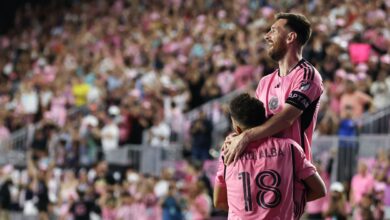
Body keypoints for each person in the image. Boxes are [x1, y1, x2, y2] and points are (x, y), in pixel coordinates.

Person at [223, 13, 324, 164]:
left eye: (274, 30)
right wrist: (237, 136)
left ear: (290, 38)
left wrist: (246, 136)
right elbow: (254, 125)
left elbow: (287, 118)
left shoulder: (307, 74)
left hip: (293, 172)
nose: (267, 36)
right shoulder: (265, 82)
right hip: (264, 170)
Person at [214, 94, 326, 219]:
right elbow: (319, 190)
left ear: (238, 129)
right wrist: (287, 206)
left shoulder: (228, 153)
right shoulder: (289, 148)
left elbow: (219, 201)